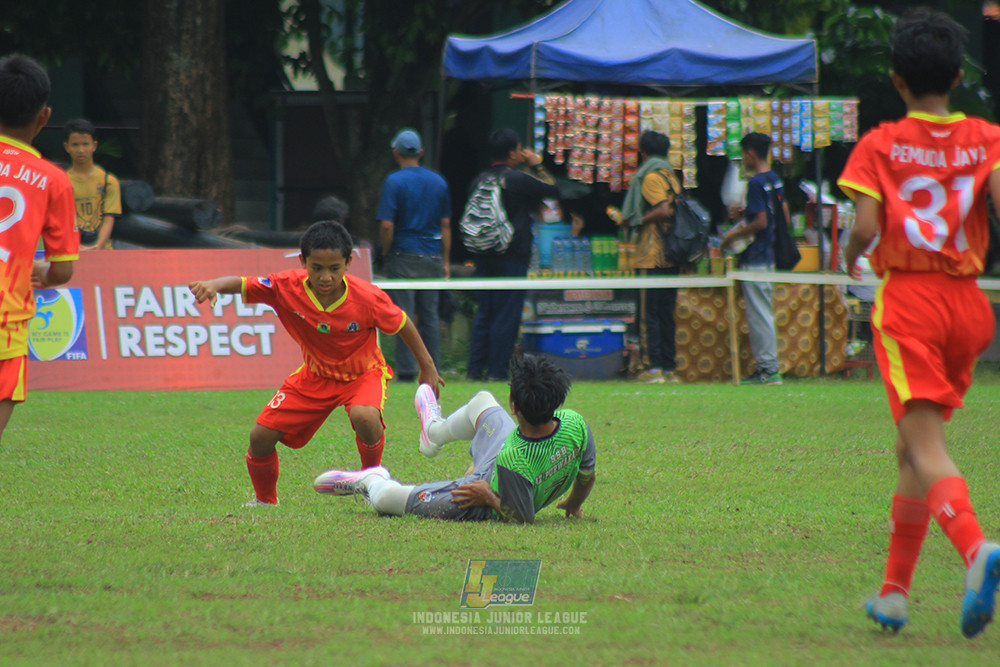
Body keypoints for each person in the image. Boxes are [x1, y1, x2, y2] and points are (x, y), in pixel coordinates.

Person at [838, 8, 1000, 638]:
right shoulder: (987, 138)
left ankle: (975, 549)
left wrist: (852, 258)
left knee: (925, 446)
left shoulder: (879, 145)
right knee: (912, 445)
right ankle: (894, 594)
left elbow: (867, 230)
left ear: (896, 80)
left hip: (909, 302)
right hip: (969, 305)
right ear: (957, 77)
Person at [189, 220, 444, 507]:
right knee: (259, 438)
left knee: (365, 417)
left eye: (334, 268)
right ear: (303, 262)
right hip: (315, 375)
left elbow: (402, 323)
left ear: (348, 263)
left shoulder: (367, 298)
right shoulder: (286, 286)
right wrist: (213, 285)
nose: (325, 277)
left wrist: (428, 366)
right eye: (317, 268)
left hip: (362, 375)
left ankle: (371, 481)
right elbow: (244, 283)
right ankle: (264, 502)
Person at [314, 353, 596, 523]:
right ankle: (433, 432)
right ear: (558, 402)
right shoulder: (575, 423)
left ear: (514, 405)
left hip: (483, 491)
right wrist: (574, 504)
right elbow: (587, 475)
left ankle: (371, 480)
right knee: (482, 401)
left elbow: (521, 517)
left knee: (389, 499)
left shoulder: (514, 459)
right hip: (509, 455)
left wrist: (488, 496)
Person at [0, 54, 78, 443]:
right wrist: (43, 273)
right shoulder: (53, 180)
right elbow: (62, 270)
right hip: (6, 317)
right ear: (44, 117)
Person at [466, 128, 559, 381]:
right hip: (512, 255)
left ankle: (474, 369)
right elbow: (553, 189)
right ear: (512, 152)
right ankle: (497, 371)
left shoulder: (479, 180)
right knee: (506, 314)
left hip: (483, 254)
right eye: (519, 149)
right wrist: (537, 165)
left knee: (485, 311)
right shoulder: (517, 179)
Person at [376, 128, 451, 381]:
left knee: (402, 315)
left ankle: (408, 371)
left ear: (395, 152)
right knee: (430, 315)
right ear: (421, 152)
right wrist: (446, 261)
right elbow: (445, 225)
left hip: (402, 254)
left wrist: (386, 252)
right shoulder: (439, 182)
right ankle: (434, 368)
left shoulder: (393, 182)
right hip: (432, 255)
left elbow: (387, 225)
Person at [722, 132, 787, 385]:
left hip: (757, 257)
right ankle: (767, 367)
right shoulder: (774, 179)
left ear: (750, 154)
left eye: (743, 155)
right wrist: (745, 212)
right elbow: (779, 211)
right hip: (769, 254)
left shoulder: (756, 182)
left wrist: (732, 236)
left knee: (759, 315)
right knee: (764, 312)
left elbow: (761, 221)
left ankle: (769, 369)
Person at [618, 130, 682, 383]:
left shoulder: (650, 176)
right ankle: (669, 367)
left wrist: (636, 219)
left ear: (643, 153)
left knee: (648, 314)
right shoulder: (672, 176)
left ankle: (652, 368)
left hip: (652, 256)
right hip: (672, 256)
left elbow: (664, 209)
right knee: (666, 313)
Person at [63, 118, 121, 251]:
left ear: (94, 145)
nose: (81, 150)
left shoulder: (108, 181)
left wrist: (98, 246)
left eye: (85, 144)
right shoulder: (61, 181)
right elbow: (62, 220)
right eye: (75, 145)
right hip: (72, 251)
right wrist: (75, 247)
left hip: (104, 252)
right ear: (67, 147)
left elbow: (109, 218)